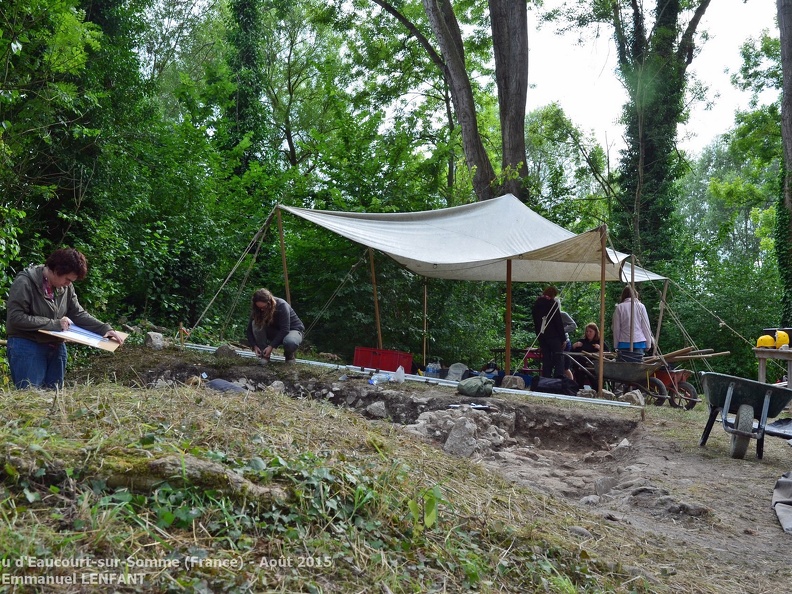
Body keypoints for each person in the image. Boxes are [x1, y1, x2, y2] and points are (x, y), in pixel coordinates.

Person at [5, 248, 126, 390]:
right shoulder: (25, 282)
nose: (69, 284)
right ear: (55, 270)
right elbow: (15, 318)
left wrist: (105, 329)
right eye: (67, 279)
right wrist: (55, 324)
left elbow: (78, 313)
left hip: (55, 347)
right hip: (27, 346)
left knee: (55, 401)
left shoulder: (66, 287)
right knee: (30, 401)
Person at [246, 288, 305, 364]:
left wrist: (271, 346)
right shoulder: (257, 309)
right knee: (255, 324)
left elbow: (285, 329)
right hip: (275, 331)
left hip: (292, 331)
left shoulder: (282, 305)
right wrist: (254, 345)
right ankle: (264, 354)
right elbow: (249, 330)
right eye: (259, 308)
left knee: (290, 342)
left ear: (269, 303)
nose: (261, 310)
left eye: (263, 307)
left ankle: (289, 355)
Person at [531, 285, 566, 378]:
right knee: (558, 357)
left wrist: (539, 336)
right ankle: (558, 380)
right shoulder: (552, 304)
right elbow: (558, 322)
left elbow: (535, 322)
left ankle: (546, 380)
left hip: (542, 336)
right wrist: (563, 338)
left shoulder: (536, 305)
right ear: (553, 295)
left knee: (546, 359)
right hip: (554, 336)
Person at [612, 285, 653, 359]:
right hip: (639, 341)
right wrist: (648, 343)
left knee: (625, 367)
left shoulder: (619, 307)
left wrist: (616, 345)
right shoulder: (641, 306)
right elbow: (646, 326)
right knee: (637, 367)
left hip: (623, 342)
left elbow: (616, 328)